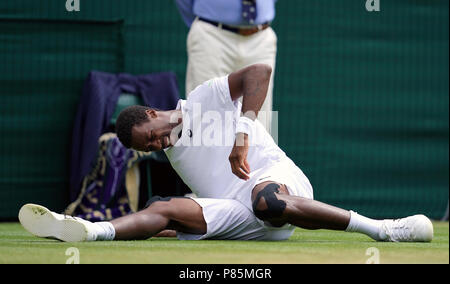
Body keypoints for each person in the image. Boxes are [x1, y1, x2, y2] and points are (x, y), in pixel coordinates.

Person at [19, 64, 433, 243]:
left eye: (153, 136)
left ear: (151, 113)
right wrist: (173, 225)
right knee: (162, 208)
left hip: (273, 181)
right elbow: (183, 205)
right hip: (235, 211)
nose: (160, 146)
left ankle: (382, 229)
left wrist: (242, 135)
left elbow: (259, 72)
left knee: (266, 200)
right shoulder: (174, 152)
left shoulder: (202, 100)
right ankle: (90, 231)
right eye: (151, 149)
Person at [175, 0, 278, 134]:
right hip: (212, 34)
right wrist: (205, 21)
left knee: (259, 122)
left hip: (261, 36)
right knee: (205, 116)